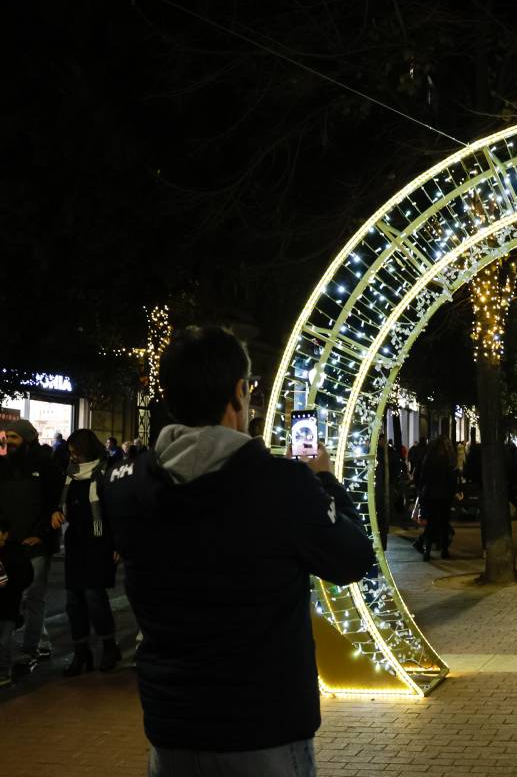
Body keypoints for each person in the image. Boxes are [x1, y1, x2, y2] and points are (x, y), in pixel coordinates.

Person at [104, 325, 376, 777]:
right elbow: (352, 559)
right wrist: (323, 480)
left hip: (172, 727)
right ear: (238, 393)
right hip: (262, 729)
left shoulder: (128, 486)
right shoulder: (282, 485)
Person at [50, 429, 121, 675]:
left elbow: (115, 511)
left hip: (98, 542)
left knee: (94, 597)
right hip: (76, 542)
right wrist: (57, 512)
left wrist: (117, 544)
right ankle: (81, 652)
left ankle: (109, 646)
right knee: (74, 601)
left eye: (76, 452)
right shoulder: (69, 475)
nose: (73, 457)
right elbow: (62, 503)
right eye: (70, 452)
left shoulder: (105, 473)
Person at [0, 418, 61, 676]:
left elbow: (52, 503)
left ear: (27, 438)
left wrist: (41, 535)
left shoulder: (45, 465)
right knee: (12, 599)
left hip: (34, 543)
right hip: (9, 544)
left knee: (34, 597)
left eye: (14, 437)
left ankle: (30, 648)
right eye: (7, 437)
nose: (8, 442)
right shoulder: (3, 466)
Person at [0, 514, 34, 688]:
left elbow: (26, 576)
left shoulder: (14, 554)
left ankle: (4, 672)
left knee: (3, 641)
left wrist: (12, 584)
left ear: (5, 534)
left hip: (8, 607)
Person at [416, 436, 459, 561]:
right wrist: (452, 492)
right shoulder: (447, 460)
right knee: (444, 523)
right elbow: (452, 479)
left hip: (430, 495)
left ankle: (427, 551)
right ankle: (444, 550)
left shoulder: (428, 459)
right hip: (444, 496)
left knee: (431, 524)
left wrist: (421, 490)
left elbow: (421, 476)